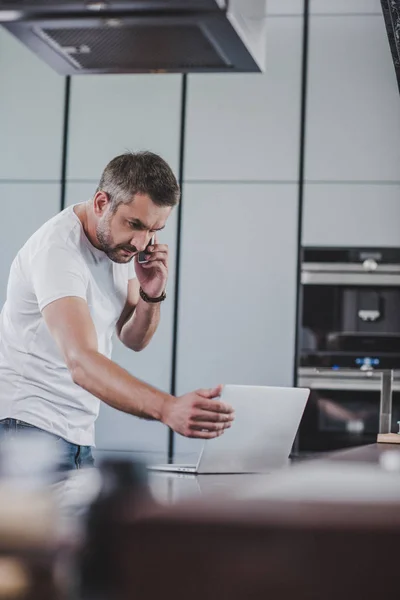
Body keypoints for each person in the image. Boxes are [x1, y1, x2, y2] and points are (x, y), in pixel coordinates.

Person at [0, 151, 234, 471]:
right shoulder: (58, 252)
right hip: (25, 428)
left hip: (76, 433)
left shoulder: (118, 247)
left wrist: (152, 295)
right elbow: (81, 362)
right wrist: (167, 408)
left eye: (154, 229)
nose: (142, 242)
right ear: (101, 203)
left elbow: (133, 338)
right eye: (134, 224)